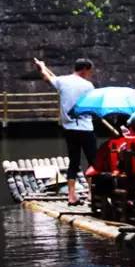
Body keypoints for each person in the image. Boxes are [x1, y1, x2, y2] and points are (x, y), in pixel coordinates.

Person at [33, 56, 97, 206]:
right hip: (86, 128)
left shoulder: (62, 81)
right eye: (90, 72)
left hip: (69, 129)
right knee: (93, 162)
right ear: (85, 70)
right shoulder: (88, 86)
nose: (91, 74)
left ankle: (71, 196)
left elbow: (47, 77)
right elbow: (92, 108)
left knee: (73, 162)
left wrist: (41, 66)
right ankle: (91, 194)